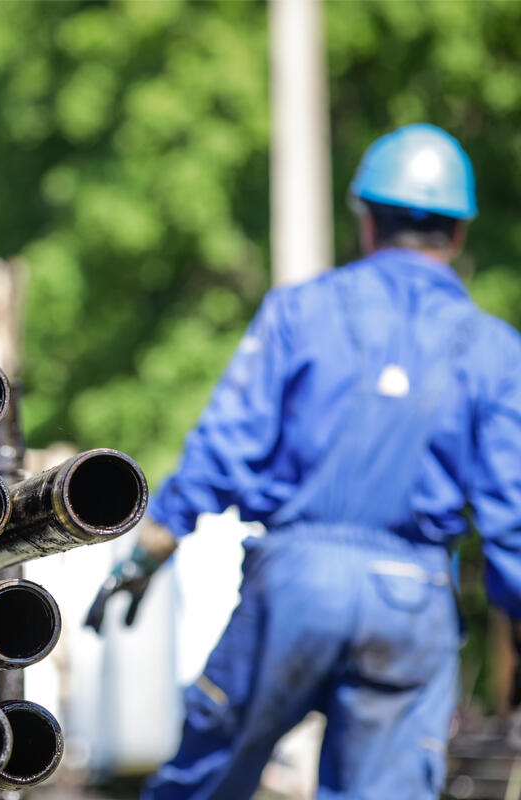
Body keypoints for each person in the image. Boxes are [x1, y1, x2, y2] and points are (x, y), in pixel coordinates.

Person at [86, 123, 521, 799]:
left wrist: (153, 545)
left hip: (294, 585)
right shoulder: (493, 349)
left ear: (366, 221)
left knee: (202, 783)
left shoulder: (302, 312)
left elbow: (226, 443)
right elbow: (511, 515)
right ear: (459, 234)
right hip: (411, 599)